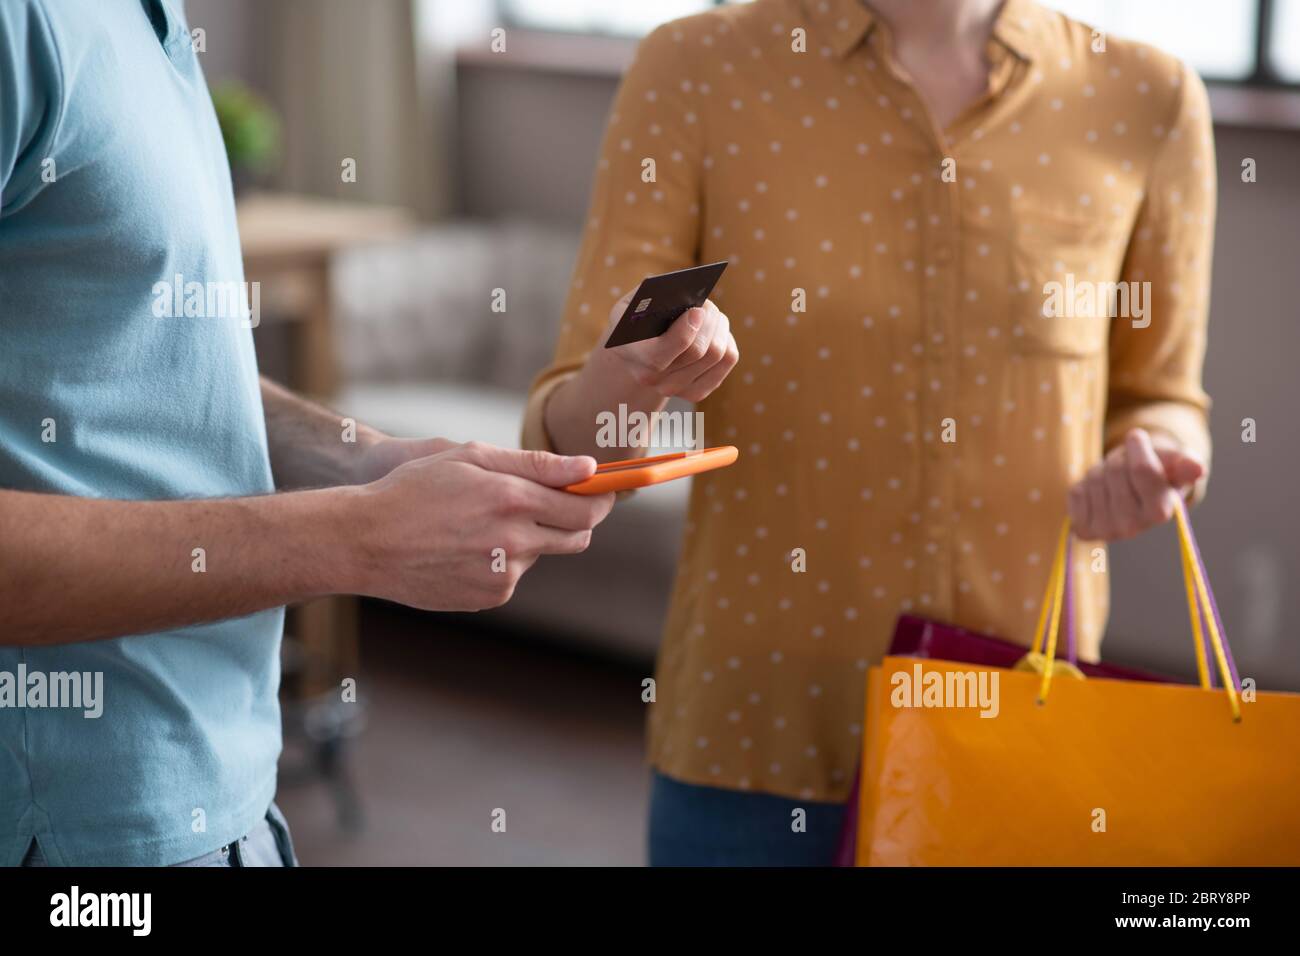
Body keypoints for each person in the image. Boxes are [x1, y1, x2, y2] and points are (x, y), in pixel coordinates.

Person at [525, 0, 1215, 865]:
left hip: (1021, 728)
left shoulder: (1146, 95)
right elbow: (571, 428)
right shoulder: (695, 67)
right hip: (754, 737)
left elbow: (1163, 393)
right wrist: (630, 377)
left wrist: (1152, 460)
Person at [0, 0, 613, 866]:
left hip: (228, 801)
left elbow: (140, 355)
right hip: (78, 837)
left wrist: (371, 460)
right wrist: (360, 538)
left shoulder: (147, 21)